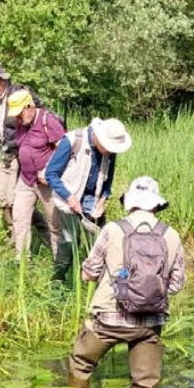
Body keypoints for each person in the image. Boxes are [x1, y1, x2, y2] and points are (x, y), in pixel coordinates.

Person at [68, 177, 186, 388]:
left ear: (129, 202)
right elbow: (176, 284)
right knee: (146, 385)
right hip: (149, 323)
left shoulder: (113, 230)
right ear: (157, 205)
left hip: (109, 320)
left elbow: (88, 273)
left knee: (80, 364)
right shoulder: (171, 235)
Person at [44, 118, 132, 284]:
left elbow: (108, 179)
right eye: (108, 147)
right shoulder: (73, 141)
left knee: (99, 242)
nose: (110, 152)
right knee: (69, 242)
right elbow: (51, 174)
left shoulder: (109, 151)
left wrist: (102, 201)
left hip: (93, 199)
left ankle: (100, 284)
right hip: (68, 198)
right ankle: (58, 281)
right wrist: (69, 197)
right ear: (99, 137)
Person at [9, 89, 67, 262]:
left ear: (29, 107)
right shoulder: (21, 122)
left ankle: (60, 262)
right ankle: (21, 262)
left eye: (20, 114)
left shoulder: (48, 121)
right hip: (26, 180)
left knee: (55, 224)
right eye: (16, 116)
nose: (18, 119)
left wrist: (49, 169)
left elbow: (64, 150)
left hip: (47, 184)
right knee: (19, 219)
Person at [0, 61, 39, 234]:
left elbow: (33, 120)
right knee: (2, 199)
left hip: (20, 153)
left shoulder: (18, 95)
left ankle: (27, 233)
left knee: (14, 199)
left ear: (4, 79)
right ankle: (12, 234)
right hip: (5, 152)